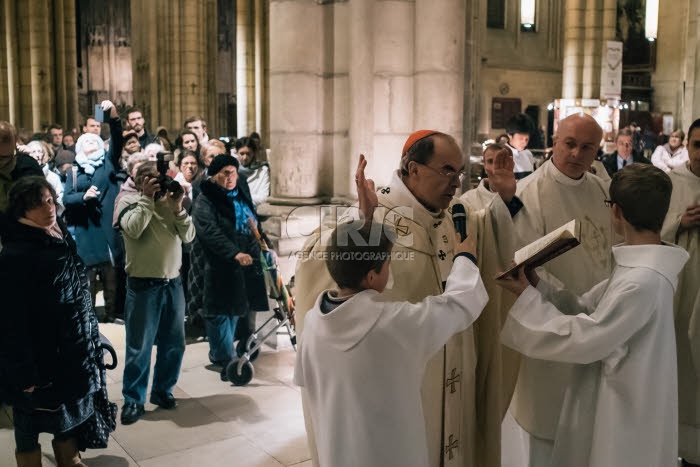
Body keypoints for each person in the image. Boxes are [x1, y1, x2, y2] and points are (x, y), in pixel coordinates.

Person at [295, 131, 516, 467]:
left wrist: (504, 199)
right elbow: (318, 255)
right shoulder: (373, 218)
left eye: (459, 173)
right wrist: (363, 218)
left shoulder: (458, 217)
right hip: (405, 394)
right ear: (413, 169)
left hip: (453, 378)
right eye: (446, 171)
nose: (455, 183)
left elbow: (486, 225)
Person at [497, 163, 688, 467]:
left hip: (626, 409)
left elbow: (589, 338)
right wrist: (538, 288)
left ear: (617, 212)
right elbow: (587, 308)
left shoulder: (644, 279)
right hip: (620, 396)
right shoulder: (638, 267)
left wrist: (528, 302)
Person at [509, 113, 615, 466]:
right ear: (554, 140)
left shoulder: (603, 190)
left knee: (589, 434)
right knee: (547, 438)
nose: (576, 154)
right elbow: (524, 263)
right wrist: (572, 302)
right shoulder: (529, 193)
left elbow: (614, 248)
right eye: (569, 143)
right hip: (551, 326)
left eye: (587, 147)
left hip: (598, 324)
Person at [0, 177, 110, 467]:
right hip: (38, 355)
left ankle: (69, 458)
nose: (48, 208)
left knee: (68, 410)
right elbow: (12, 321)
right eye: (38, 203)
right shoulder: (16, 253)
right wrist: (24, 373)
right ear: (21, 210)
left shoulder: (59, 235)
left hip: (69, 347)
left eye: (49, 200)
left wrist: (90, 336)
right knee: (29, 421)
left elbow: (77, 291)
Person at [116, 161, 195, 425]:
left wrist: (179, 208)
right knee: (139, 346)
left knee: (174, 344)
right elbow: (134, 229)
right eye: (147, 178)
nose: (154, 182)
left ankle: (162, 391)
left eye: (157, 178)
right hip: (142, 285)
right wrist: (147, 199)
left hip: (173, 283)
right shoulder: (127, 202)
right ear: (137, 181)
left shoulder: (170, 203)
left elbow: (189, 237)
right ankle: (133, 400)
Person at [190, 155, 268, 378]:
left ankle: (229, 351)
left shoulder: (240, 190)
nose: (230, 177)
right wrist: (234, 253)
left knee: (237, 307)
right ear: (214, 175)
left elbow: (253, 221)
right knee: (219, 311)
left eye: (233, 171)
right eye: (224, 173)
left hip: (245, 259)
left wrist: (266, 246)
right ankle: (223, 356)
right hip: (218, 262)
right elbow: (208, 231)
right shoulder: (205, 197)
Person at [63, 101, 124, 323]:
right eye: (85, 140)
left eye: (94, 139)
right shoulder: (74, 172)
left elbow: (117, 139)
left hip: (106, 228)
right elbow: (66, 198)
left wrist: (113, 118)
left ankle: (110, 313)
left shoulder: (108, 164)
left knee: (110, 277)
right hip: (86, 230)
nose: (90, 141)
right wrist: (83, 197)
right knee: (87, 278)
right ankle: (89, 314)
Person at [662, 119, 700, 467]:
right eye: (698, 144)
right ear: (687, 145)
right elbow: (651, 229)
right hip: (682, 287)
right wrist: (680, 224)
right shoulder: (671, 184)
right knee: (682, 367)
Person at [0, 121, 43, 240]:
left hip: (25, 235)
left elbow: (40, 204)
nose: (3, 162)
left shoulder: (28, 166)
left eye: (6, 158)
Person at [23, 140, 64, 211]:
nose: (37, 155)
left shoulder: (52, 177)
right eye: (33, 152)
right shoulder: (23, 175)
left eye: (39, 151)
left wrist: (55, 212)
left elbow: (60, 198)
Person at [235, 136, 270, 205]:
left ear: (253, 153)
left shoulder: (263, 171)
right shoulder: (231, 170)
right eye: (242, 154)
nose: (245, 158)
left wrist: (240, 197)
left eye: (248, 154)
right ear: (237, 152)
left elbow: (263, 198)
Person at [505, 114, 536, 180]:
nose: (524, 142)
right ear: (510, 135)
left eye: (527, 139)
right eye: (521, 138)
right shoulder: (501, 155)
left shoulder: (528, 154)